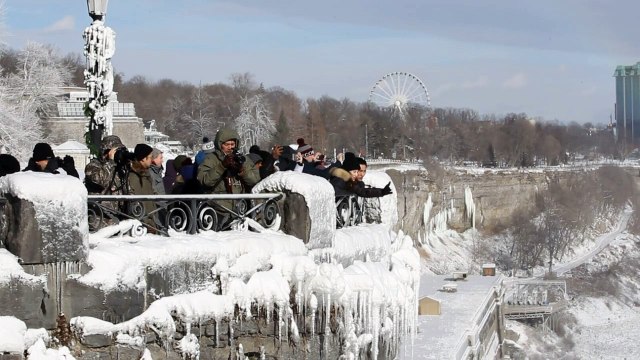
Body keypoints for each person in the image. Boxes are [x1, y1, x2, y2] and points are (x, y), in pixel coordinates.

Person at [197, 128, 260, 218]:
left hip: (241, 210)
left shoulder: (243, 159)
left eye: (232, 144)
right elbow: (204, 180)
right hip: (218, 210)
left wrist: (242, 171)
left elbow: (255, 180)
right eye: (226, 144)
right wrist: (222, 166)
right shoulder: (211, 159)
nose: (230, 147)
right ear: (220, 144)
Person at [128, 144, 159, 231]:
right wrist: (147, 223)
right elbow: (138, 203)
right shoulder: (134, 177)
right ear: (143, 159)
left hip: (151, 222)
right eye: (150, 157)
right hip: (142, 226)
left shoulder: (146, 175)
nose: (151, 160)